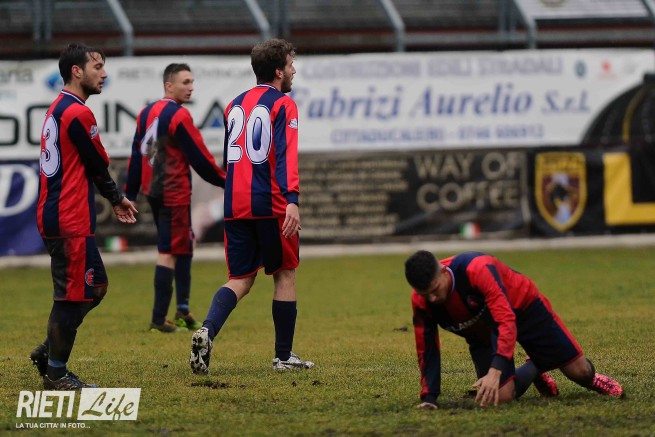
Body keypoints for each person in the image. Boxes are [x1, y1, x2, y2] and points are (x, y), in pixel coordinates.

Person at [190, 38, 313, 373]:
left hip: (235, 204)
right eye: (290, 64)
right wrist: (292, 200)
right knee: (285, 274)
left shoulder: (233, 105)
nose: (294, 70)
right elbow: (285, 156)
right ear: (278, 71)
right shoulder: (284, 105)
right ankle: (283, 356)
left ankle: (206, 330)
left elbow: (232, 160)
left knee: (240, 278)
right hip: (270, 204)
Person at [30, 43, 138, 390]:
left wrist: (115, 198)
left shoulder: (59, 107)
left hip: (64, 215)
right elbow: (97, 163)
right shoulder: (77, 113)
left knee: (97, 287)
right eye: (97, 66)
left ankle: (49, 350)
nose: (104, 73)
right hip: (67, 217)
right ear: (76, 71)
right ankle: (56, 374)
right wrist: (117, 197)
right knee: (72, 296)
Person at [404, 250, 624, 409]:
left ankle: (590, 378)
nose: (432, 298)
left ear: (443, 271)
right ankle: (535, 365)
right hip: (482, 332)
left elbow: (505, 319)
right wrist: (429, 398)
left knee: (580, 372)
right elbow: (427, 348)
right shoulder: (422, 301)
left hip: (522, 308)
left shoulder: (476, 268)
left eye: (435, 289)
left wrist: (495, 371)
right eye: (425, 293)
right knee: (499, 397)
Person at [125, 63, 226, 333]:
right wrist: (226, 181)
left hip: (153, 190)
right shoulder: (179, 116)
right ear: (168, 85)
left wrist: (130, 193)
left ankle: (182, 310)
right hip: (173, 191)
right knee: (169, 251)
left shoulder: (146, 113)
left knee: (183, 245)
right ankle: (158, 319)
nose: (191, 87)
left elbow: (137, 154)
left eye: (192, 82)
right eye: (185, 82)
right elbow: (200, 158)